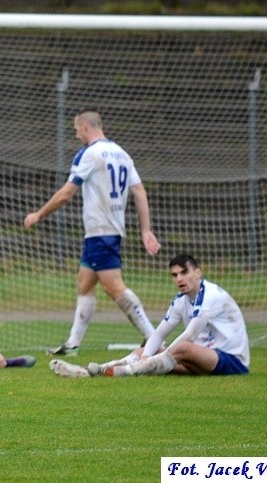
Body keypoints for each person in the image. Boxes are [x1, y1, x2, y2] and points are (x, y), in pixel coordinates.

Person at [23, 109, 160, 356]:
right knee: (85, 284)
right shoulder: (121, 153)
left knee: (113, 288)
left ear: (86, 127)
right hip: (106, 231)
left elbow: (66, 194)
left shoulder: (89, 154)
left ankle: (154, 339)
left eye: (76, 130)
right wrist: (145, 230)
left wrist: (38, 214)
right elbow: (140, 192)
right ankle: (73, 344)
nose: (76, 135)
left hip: (101, 231)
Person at [51, 254, 250, 378]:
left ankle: (125, 373)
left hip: (232, 361)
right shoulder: (181, 300)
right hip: (204, 359)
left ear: (198, 272)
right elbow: (160, 333)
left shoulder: (211, 295)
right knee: (145, 349)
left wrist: (155, 357)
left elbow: (189, 335)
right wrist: (146, 356)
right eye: (174, 275)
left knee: (180, 348)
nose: (179, 278)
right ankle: (98, 370)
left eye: (184, 272)